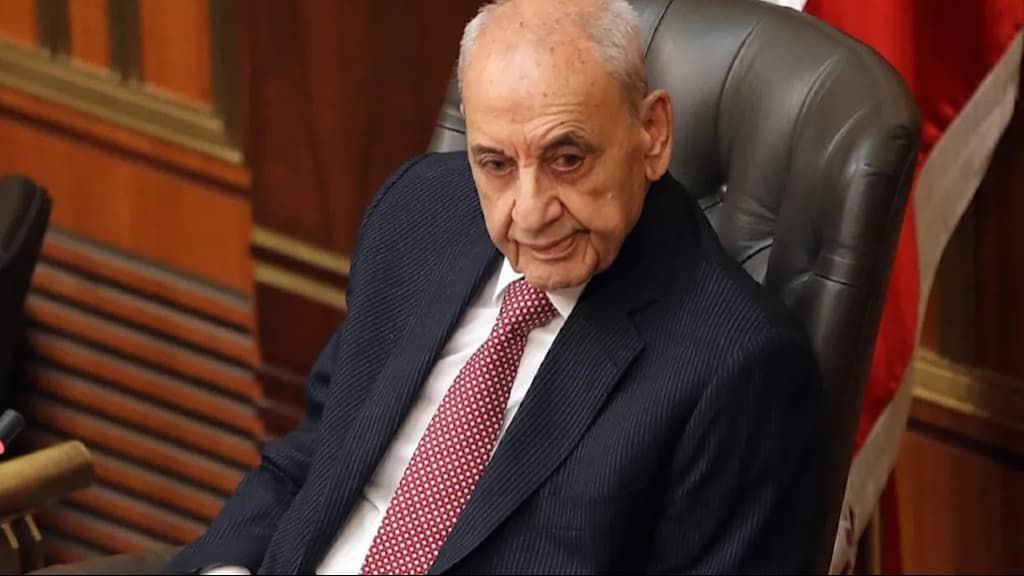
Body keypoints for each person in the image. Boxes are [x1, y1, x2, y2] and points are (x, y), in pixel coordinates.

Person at [167, 0, 826, 573]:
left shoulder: (737, 367)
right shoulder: (416, 216)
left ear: (652, 134)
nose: (530, 212)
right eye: (496, 164)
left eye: (568, 159)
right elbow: (315, 455)